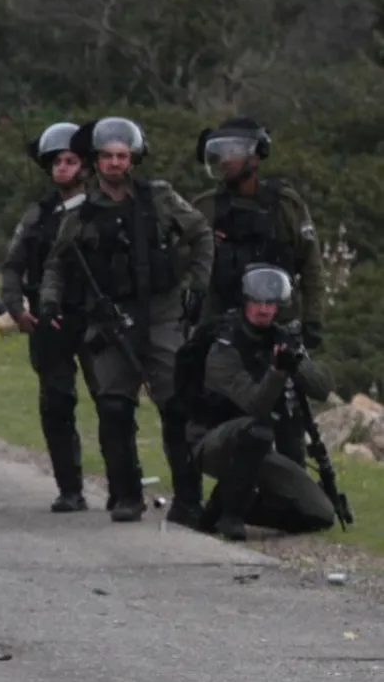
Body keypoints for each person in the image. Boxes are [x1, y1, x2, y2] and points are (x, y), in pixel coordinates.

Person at [39, 117, 214, 524]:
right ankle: (126, 495)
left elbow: (201, 234)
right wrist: (49, 303)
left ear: (133, 158)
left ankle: (189, 500)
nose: (116, 163)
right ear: (95, 161)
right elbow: (57, 265)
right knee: (114, 408)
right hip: (111, 322)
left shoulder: (160, 198)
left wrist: (197, 285)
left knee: (175, 407)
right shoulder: (80, 213)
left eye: (122, 156)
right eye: (107, 156)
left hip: (162, 315)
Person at [188, 265, 336, 540]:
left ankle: (221, 508)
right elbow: (254, 404)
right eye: (257, 302)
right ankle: (229, 518)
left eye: (270, 303)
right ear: (245, 302)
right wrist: (278, 372)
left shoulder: (279, 337)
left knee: (319, 514)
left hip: (261, 449)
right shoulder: (225, 346)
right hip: (214, 442)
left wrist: (295, 360)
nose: (264, 309)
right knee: (256, 430)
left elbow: (322, 389)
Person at [0, 122, 101, 512]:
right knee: (56, 404)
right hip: (47, 320)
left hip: (93, 320)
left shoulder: (101, 210)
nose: (62, 168)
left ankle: (124, 490)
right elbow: (12, 266)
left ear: (85, 166)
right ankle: (70, 488)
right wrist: (15, 308)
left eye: (70, 160)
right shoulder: (37, 214)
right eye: (56, 161)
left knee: (110, 403)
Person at [190, 119, 324, 348]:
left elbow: (311, 266)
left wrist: (313, 319)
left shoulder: (285, 205)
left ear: (256, 155)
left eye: (234, 151)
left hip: (280, 326)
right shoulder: (204, 208)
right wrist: (203, 247)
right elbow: (179, 263)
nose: (225, 159)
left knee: (307, 383)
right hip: (218, 326)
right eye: (220, 152)